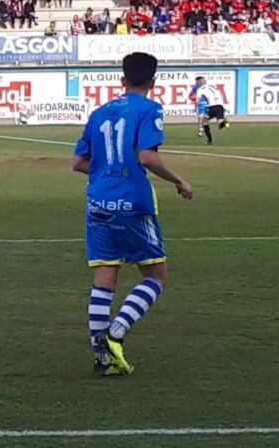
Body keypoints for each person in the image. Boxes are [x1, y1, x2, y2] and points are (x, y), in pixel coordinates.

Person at [71, 52, 193, 377]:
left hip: (97, 204)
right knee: (155, 277)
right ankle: (116, 331)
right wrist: (179, 181)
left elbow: (78, 162)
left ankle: (102, 357)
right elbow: (148, 158)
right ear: (153, 82)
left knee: (105, 279)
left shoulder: (100, 113)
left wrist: (106, 174)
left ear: (121, 79)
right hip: (132, 204)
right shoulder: (150, 109)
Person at [190, 76, 229, 144]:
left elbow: (197, 100)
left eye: (197, 82)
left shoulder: (200, 89)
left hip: (212, 107)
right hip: (220, 106)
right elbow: (221, 94)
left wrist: (195, 107)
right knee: (220, 126)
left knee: (204, 122)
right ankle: (225, 122)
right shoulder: (213, 86)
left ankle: (209, 140)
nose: (196, 83)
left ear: (199, 82)